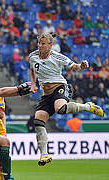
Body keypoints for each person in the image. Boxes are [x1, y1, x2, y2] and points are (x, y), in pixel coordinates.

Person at [29, 32, 104, 166]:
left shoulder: (58, 57)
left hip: (60, 87)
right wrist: (34, 84)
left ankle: (87, 106)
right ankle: (44, 154)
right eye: (39, 43)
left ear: (50, 45)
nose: (40, 46)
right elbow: (33, 70)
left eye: (43, 44)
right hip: (46, 95)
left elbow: (74, 66)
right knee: (38, 121)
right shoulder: (32, 56)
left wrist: (81, 66)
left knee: (61, 109)